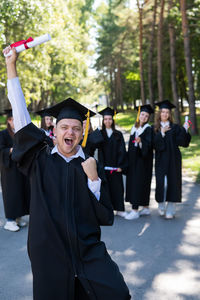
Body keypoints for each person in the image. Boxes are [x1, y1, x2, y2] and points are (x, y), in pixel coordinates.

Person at [4, 47, 131, 300]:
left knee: (117, 293)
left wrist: (94, 179)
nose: (69, 132)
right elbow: (20, 116)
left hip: (87, 252)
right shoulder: (39, 159)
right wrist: (11, 66)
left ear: (82, 133)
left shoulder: (89, 166)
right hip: (48, 253)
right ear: (55, 130)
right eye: (64, 127)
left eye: (75, 127)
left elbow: (106, 216)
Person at [153, 99, 191, 219]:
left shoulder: (175, 127)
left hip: (174, 159)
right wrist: (162, 133)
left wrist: (185, 130)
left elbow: (183, 143)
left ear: (169, 114)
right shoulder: (154, 128)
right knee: (161, 183)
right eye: (162, 112)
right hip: (160, 160)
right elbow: (154, 145)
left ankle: (171, 208)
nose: (164, 114)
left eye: (167, 112)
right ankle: (161, 204)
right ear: (159, 114)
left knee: (173, 183)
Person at [0, 109, 29, 231]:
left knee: (20, 192)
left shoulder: (20, 133)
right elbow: (1, 151)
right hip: (9, 170)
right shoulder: (3, 134)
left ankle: (17, 218)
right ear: (10, 120)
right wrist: (11, 150)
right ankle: (10, 221)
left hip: (20, 168)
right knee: (11, 194)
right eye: (15, 120)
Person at [125, 105, 154, 220]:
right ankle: (146, 208)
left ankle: (135, 210)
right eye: (142, 114)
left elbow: (149, 145)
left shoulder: (148, 129)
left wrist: (141, 142)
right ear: (139, 115)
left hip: (143, 162)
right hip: (133, 161)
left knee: (138, 184)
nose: (144, 117)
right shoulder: (134, 127)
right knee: (139, 183)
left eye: (146, 116)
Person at [98, 107, 128, 217]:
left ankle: (120, 209)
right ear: (103, 121)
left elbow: (122, 151)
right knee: (106, 189)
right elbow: (95, 149)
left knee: (117, 188)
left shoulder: (118, 134)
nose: (107, 121)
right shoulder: (100, 133)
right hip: (104, 167)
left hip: (116, 167)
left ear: (113, 120)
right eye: (105, 119)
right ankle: (107, 211)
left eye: (110, 119)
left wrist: (121, 166)